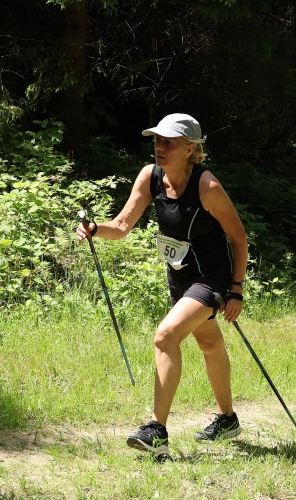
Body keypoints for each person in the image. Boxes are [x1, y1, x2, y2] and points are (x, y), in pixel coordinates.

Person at [76, 113, 248, 456]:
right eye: (156, 140)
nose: (159, 147)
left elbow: (239, 237)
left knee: (165, 335)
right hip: (180, 276)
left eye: (168, 142)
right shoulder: (150, 176)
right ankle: (227, 419)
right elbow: (123, 225)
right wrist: (96, 228)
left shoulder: (207, 186)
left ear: (190, 148)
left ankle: (156, 430)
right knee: (210, 343)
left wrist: (236, 289)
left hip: (210, 278)